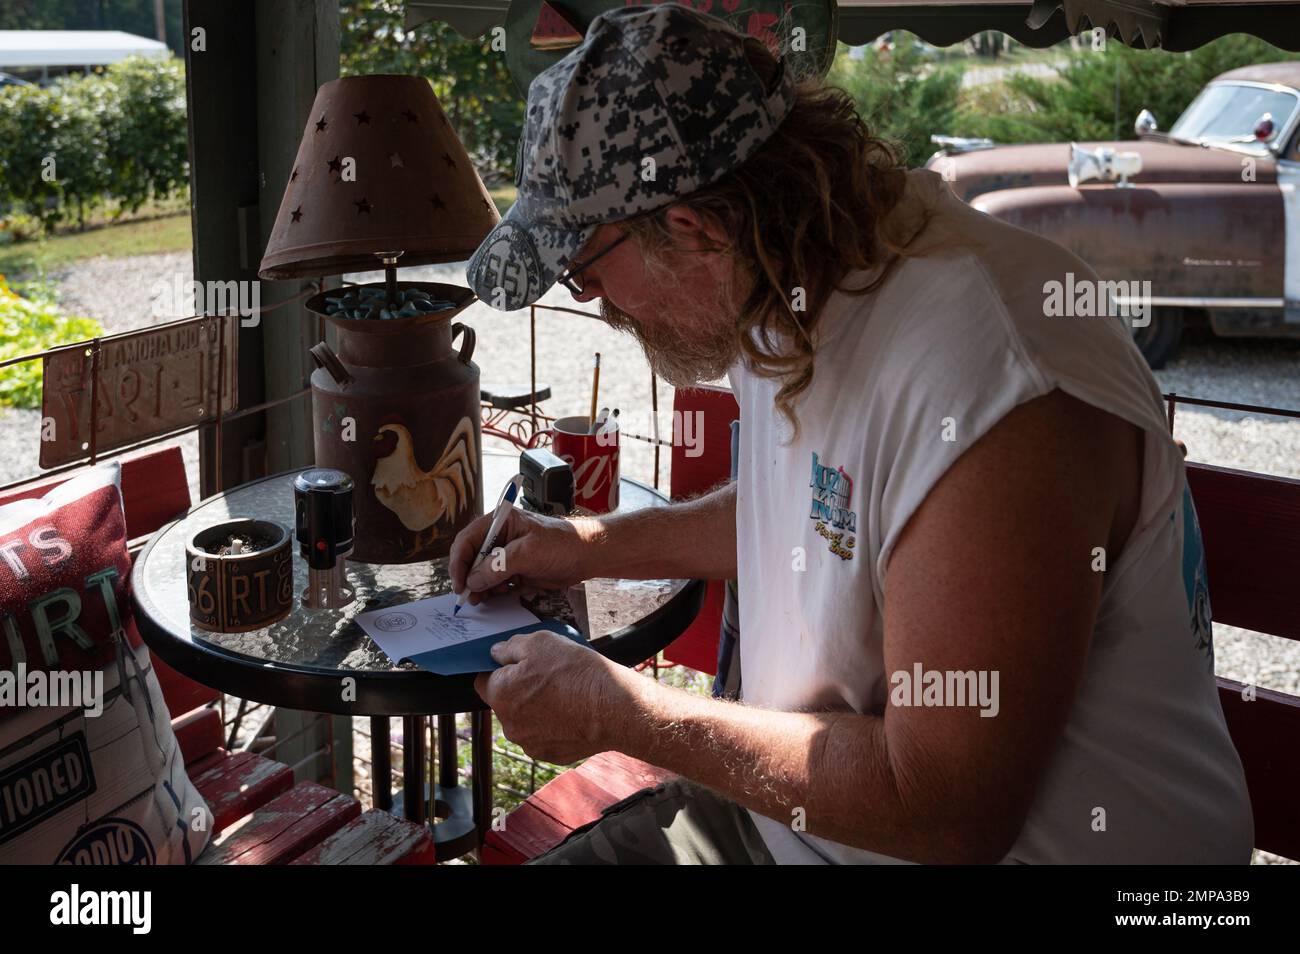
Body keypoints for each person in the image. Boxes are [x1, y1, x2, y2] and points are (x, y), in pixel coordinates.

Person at [453, 3, 1253, 864]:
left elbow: (945, 808)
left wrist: (625, 715)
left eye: (584, 271)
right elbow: (811, 512)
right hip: (802, 832)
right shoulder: (792, 280)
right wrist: (583, 545)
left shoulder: (992, 374)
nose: (599, 306)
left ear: (697, 230)